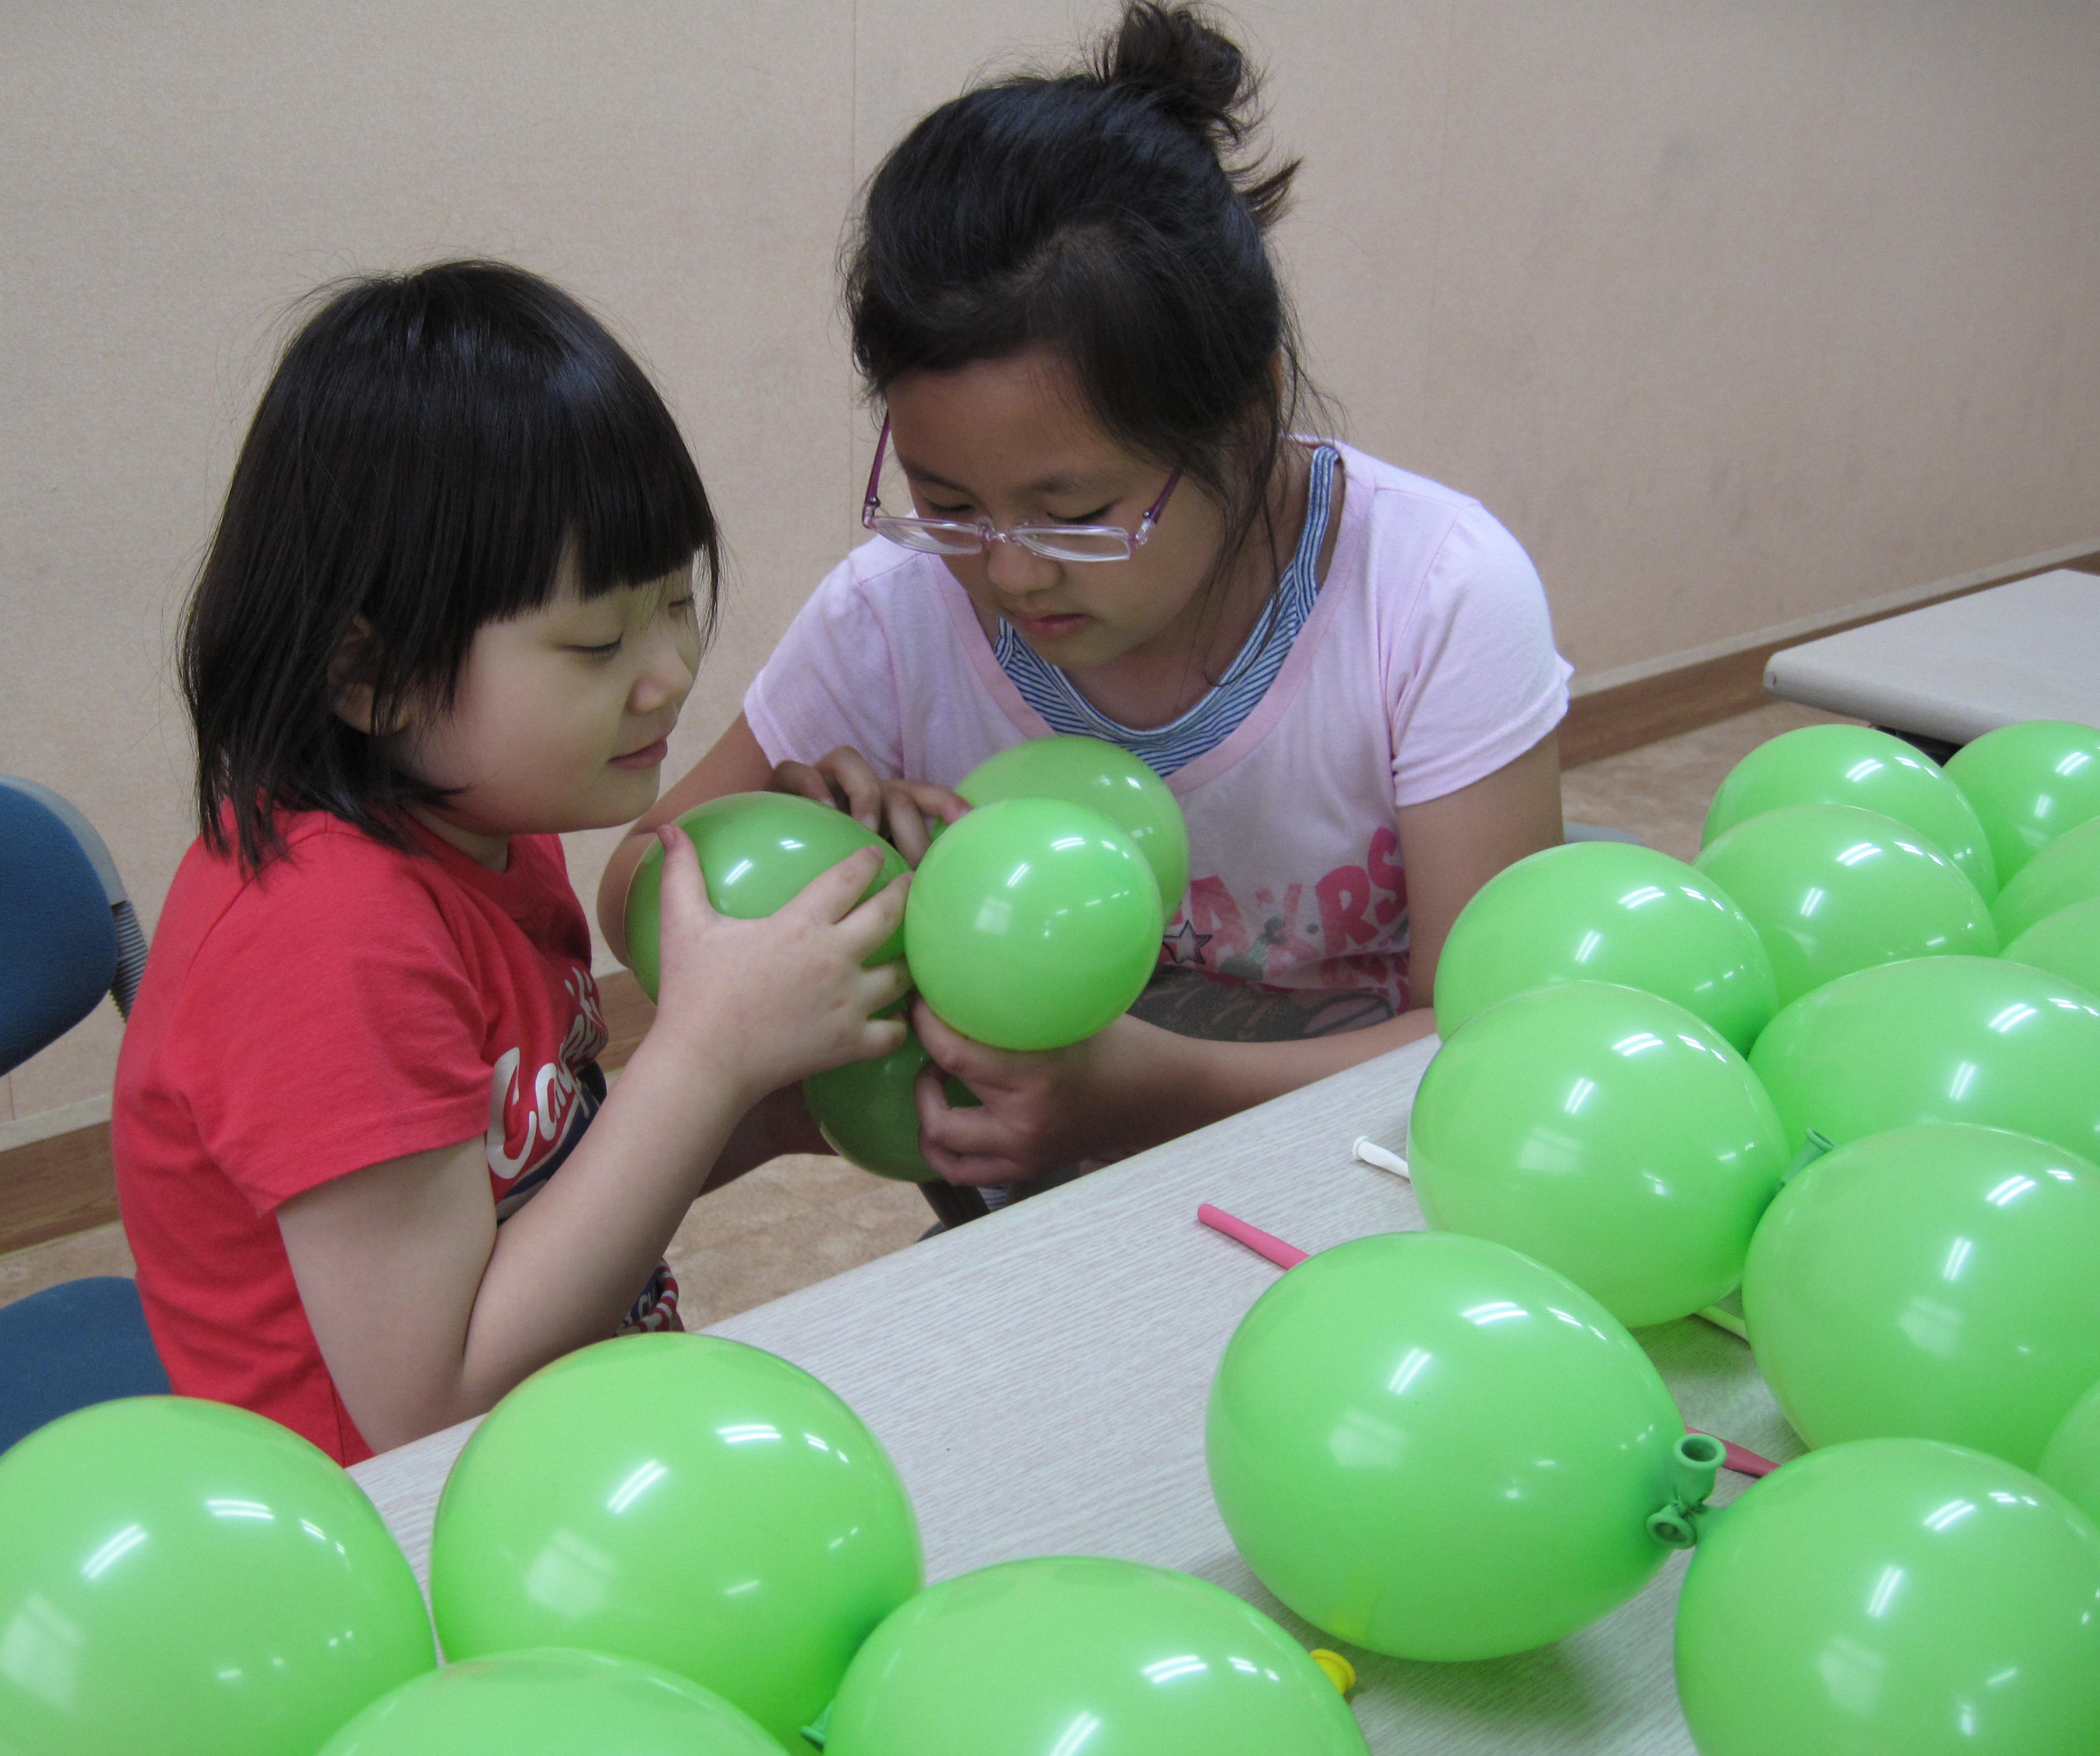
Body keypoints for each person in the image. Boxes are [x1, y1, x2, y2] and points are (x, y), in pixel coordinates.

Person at [598, 0, 1570, 1194]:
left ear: (1249, 411)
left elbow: (1488, 1032)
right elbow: (639, 879)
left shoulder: (1434, 598)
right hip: (1030, 1191)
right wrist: (796, 856)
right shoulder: (899, 611)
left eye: (1075, 515)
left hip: (1358, 1167)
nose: (1008, 571)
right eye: (946, 500)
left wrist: (1148, 1093)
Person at [113, 262, 908, 1463]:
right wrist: (704, 1054)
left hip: (563, 1442)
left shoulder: (481, 826)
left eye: (676, 602)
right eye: (596, 641)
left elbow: (540, 1190)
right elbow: (427, 1409)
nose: (668, 675)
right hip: (399, 1545)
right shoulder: (324, 941)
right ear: (369, 675)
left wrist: (763, 1093)